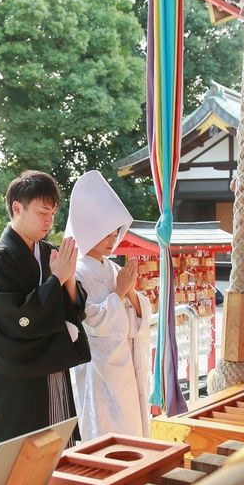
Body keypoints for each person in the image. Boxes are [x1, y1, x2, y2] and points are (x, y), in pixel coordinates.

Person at [0, 170, 91, 471]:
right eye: (42, 212)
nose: (49, 221)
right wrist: (57, 279)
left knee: (56, 457)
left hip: (51, 371)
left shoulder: (50, 252)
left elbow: (74, 309)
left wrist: (67, 280)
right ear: (17, 208)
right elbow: (17, 319)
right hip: (15, 378)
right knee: (14, 465)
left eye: (52, 213)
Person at [65, 170, 151, 440]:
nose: (113, 241)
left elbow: (138, 311)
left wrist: (131, 294)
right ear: (90, 231)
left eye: (115, 234)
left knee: (131, 426)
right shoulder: (76, 272)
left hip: (125, 362)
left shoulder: (113, 268)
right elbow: (90, 321)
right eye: (106, 235)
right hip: (99, 368)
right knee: (104, 429)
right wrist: (120, 292)